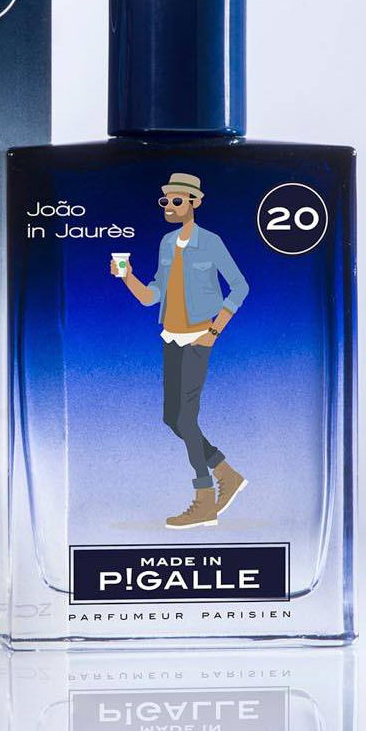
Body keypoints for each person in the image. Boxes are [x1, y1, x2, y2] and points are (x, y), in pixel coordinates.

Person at [112, 173, 250, 527]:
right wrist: (127, 277)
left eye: (177, 201)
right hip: (171, 337)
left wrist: (214, 331)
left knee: (186, 418)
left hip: (198, 337)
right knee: (172, 418)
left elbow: (240, 287)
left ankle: (205, 500)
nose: (170, 207)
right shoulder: (166, 243)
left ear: (195, 203)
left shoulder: (211, 242)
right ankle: (226, 473)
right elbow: (152, 295)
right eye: (166, 201)